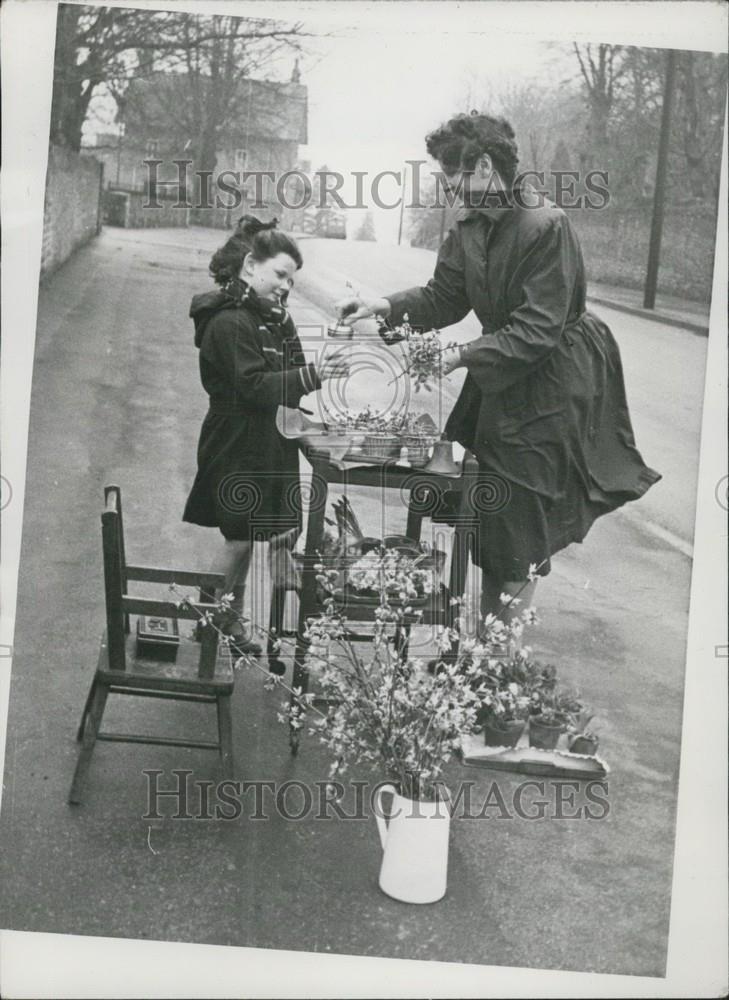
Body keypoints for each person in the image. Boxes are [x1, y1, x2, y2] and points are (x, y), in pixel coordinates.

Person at [336, 112, 661, 629]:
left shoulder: (545, 226)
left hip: (553, 385)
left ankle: (498, 659)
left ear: (484, 166)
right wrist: (383, 304)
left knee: (519, 525)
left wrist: (462, 355)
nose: (449, 192)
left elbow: (537, 331)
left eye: (452, 179)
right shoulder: (470, 226)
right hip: (504, 378)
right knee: (495, 522)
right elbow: (444, 296)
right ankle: (488, 649)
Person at [183, 216, 347, 657]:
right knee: (238, 537)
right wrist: (311, 375)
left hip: (263, 438)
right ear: (250, 266)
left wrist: (312, 414)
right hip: (236, 439)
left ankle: (224, 619)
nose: (285, 287)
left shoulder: (267, 317)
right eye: (279, 275)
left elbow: (288, 370)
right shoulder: (228, 322)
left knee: (250, 534)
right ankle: (209, 620)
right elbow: (254, 386)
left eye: (291, 280)